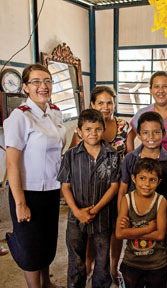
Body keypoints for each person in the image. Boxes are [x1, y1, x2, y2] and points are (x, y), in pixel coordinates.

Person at [4, 63, 66, 288]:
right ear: (25, 87)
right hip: (27, 191)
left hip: (51, 189)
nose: (43, 86)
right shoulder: (19, 117)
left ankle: (46, 282)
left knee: (47, 241)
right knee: (30, 246)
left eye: (47, 81)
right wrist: (20, 202)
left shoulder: (55, 113)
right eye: (36, 82)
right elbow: (11, 162)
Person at [69, 86, 129, 283]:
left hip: (115, 186)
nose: (106, 107)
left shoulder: (123, 126)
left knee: (113, 231)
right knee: (88, 234)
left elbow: (128, 157)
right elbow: (72, 162)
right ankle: (88, 265)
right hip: (88, 191)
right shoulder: (85, 126)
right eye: (100, 103)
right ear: (93, 104)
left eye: (109, 102)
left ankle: (112, 266)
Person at [57, 109, 121, 288]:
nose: (93, 133)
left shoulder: (112, 155)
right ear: (79, 131)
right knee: (76, 259)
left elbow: (114, 186)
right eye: (88, 129)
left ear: (103, 130)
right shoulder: (70, 156)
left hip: (102, 218)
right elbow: (66, 186)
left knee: (102, 259)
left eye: (98, 129)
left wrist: (94, 210)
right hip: (75, 219)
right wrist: (78, 212)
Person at [119, 111, 167, 249]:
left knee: (161, 250)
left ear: (164, 134)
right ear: (139, 135)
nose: (151, 137)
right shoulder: (130, 159)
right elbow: (123, 189)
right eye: (145, 133)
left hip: (160, 218)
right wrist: (120, 216)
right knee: (136, 250)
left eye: (156, 132)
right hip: (135, 218)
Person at [116, 158, 167, 288]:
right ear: (133, 179)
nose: (147, 184)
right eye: (142, 178)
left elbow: (160, 235)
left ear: (158, 182)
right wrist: (148, 229)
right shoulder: (126, 200)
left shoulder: (161, 201)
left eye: (152, 180)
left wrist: (131, 232)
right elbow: (119, 233)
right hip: (132, 263)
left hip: (157, 264)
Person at [127, 71, 167, 158]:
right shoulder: (143, 113)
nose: (160, 90)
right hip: (148, 165)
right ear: (150, 90)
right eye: (156, 86)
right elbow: (130, 135)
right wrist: (131, 157)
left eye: (165, 86)